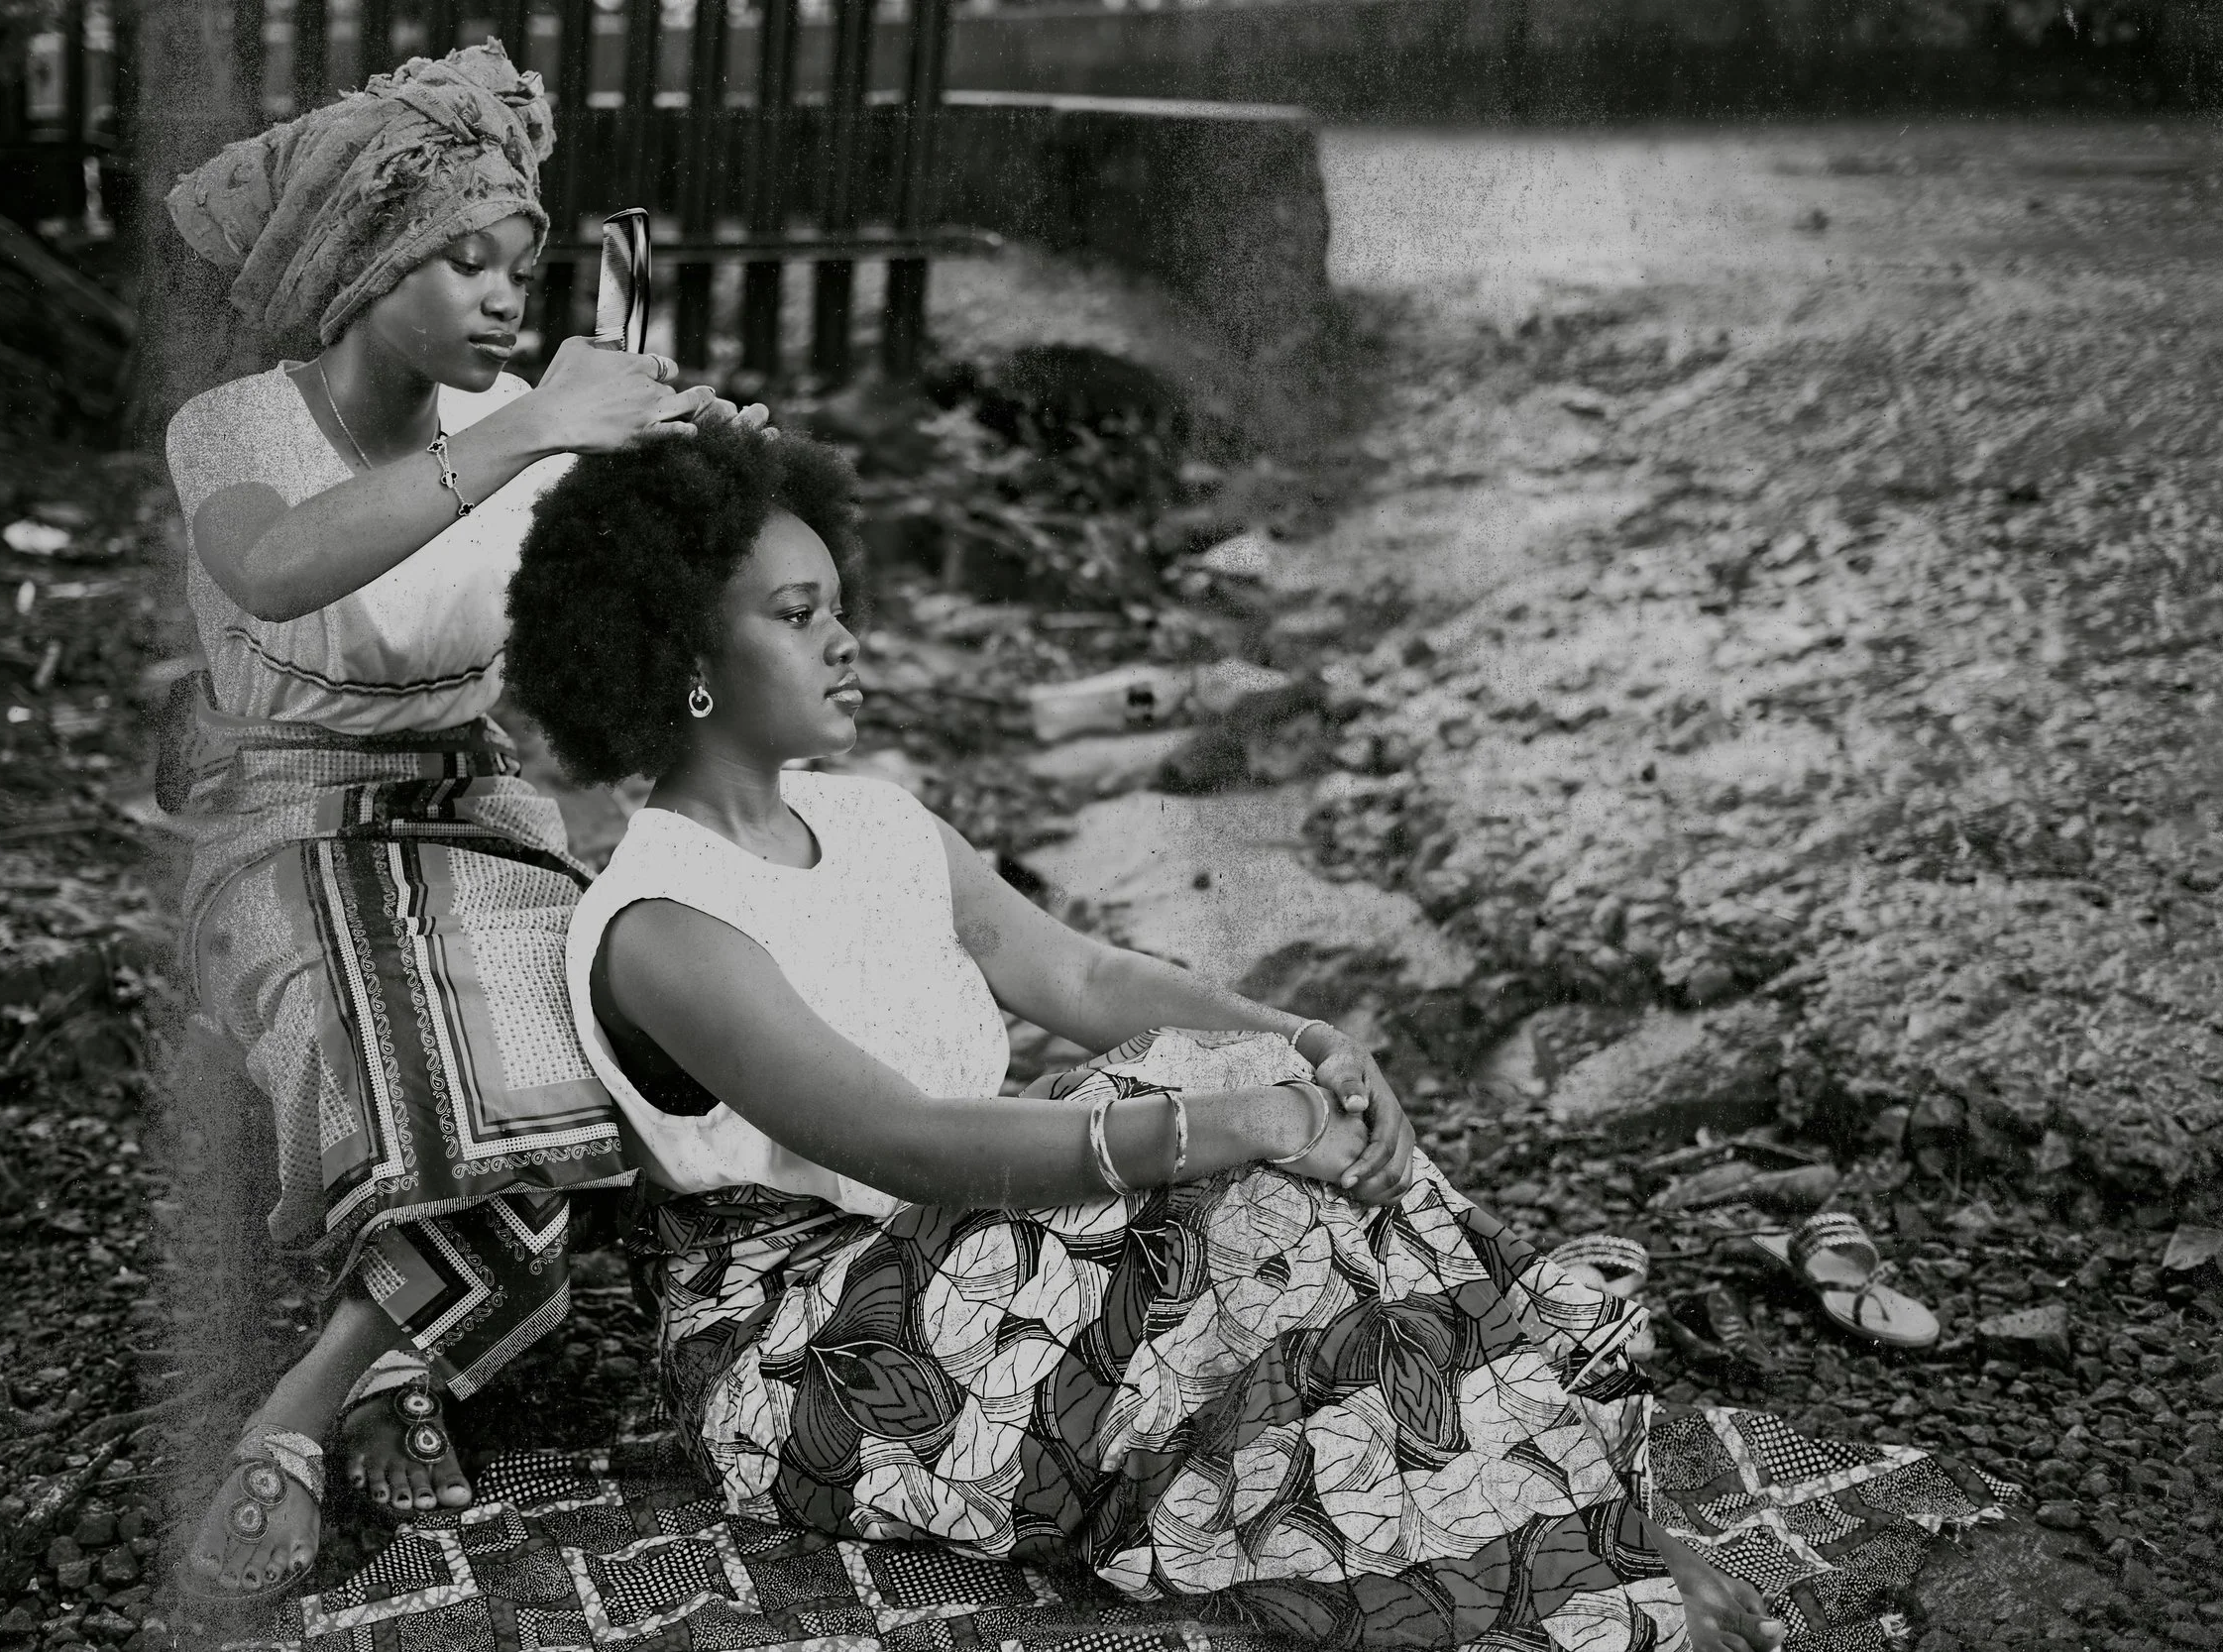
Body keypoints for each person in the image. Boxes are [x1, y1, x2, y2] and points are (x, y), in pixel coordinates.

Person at [502, 423, 1789, 1652]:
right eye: (797, 616)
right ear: (678, 653)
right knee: (1252, 1203)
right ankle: (1550, 1551)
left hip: (952, 1248)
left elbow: (1082, 970)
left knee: (1267, 1112)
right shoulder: (663, 922)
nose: (846, 641)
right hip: (808, 1347)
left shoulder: (876, 819)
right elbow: (908, 1138)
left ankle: (1538, 1503)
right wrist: (1232, 1121)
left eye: (840, 605)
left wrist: (1304, 1038)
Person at [158, 42, 768, 1601]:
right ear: (364, 267)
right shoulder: (233, 429)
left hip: (477, 807)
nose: (506, 297)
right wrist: (534, 429)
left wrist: (691, 480)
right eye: (462, 259)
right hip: (284, 823)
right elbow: (285, 568)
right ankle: (410, 1370)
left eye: (523, 264)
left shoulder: (523, 414)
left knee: (576, 1068)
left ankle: (329, 1392)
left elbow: (609, 644)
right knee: (394, 1070)